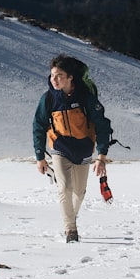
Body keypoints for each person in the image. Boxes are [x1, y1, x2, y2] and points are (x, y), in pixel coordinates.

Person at [32, 53, 112, 242]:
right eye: (52, 75)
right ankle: (71, 231)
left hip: (84, 148)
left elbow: (102, 125)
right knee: (65, 188)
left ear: (70, 77)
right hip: (59, 147)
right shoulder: (48, 99)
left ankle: (70, 217)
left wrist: (101, 156)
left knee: (79, 192)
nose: (55, 79)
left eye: (59, 75)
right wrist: (40, 157)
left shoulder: (86, 98)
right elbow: (38, 126)